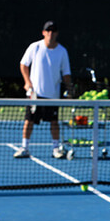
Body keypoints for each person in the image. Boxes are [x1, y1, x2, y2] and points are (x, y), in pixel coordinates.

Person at [13, 20, 74, 159]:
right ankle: (25, 148)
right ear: (43, 33)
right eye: (48, 31)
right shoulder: (35, 47)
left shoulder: (62, 51)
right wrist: (27, 82)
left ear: (57, 33)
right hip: (35, 94)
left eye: (53, 31)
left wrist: (69, 90)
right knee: (29, 121)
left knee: (54, 122)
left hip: (53, 95)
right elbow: (23, 65)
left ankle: (55, 149)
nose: (50, 33)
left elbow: (66, 74)